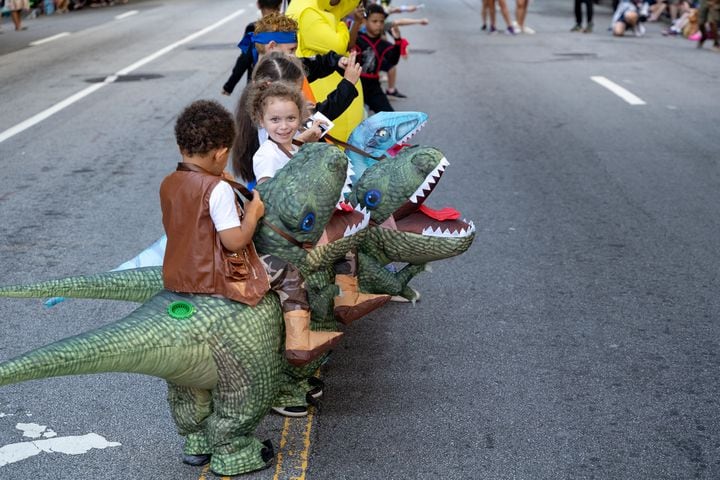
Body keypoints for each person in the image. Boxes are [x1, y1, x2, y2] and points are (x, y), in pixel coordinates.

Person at [160, 100, 342, 369]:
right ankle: (299, 340)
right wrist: (253, 213)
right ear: (221, 153)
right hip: (216, 276)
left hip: (178, 272)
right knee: (289, 272)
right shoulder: (216, 189)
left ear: (180, 147)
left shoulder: (170, 183)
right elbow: (234, 242)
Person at [286, 0, 366, 141]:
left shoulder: (282, 67)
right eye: (292, 49)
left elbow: (314, 65)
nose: (296, 53)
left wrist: (336, 61)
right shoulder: (282, 77)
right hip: (299, 147)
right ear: (272, 46)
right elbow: (320, 116)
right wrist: (347, 85)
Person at [221, 0, 283, 96]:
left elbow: (244, 58)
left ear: (258, 4)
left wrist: (229, 85)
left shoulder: (252, 28)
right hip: (284, 81)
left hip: (258, 84)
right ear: (280, 4)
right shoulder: (287, 28)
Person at [351, 4, 403, 113]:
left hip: (373, 85)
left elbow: (393, 61)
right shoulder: (358, 39)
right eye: (374, 21)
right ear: (365, 21)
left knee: (389, 115)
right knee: (353, 118)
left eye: (381, 21)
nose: (378, 25)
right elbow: (349, 45)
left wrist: (398, 41)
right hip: (355, 83)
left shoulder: (384, 44)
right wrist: (356, 23)